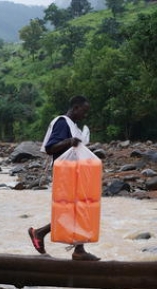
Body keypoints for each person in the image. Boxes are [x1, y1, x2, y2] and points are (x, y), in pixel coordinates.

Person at [28, 95, 100, 261]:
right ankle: (40, 233)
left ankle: (78, 249)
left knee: (78, 209)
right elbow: (50, 148)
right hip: (65, 173)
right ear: (75, 108)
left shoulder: (73, 125)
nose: (85, 115)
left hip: (73, 171)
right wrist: (69, 141)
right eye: (84, 110)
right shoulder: (62, 122)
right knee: (71, 210)